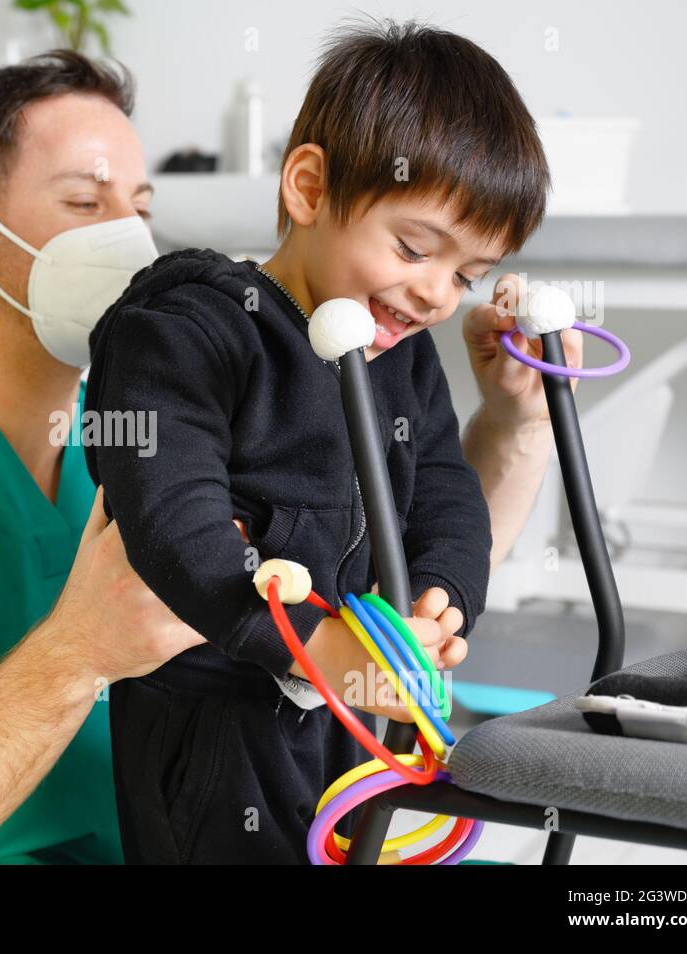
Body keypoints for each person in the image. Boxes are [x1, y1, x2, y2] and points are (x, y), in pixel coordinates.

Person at [0, 46, 581, 865]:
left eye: (142, 207)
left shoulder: (171, 423)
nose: (128, 239)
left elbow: (396, 555)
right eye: (86, 205)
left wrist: (518, 424)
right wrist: (79, 649)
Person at [86, 21, 557, 863]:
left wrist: (446, 595)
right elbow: (171, 518)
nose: (436, 295)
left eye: (466, 276)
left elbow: (445, 487)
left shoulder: (400, 359)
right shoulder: (186, 330)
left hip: (345, 719)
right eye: (415, 248)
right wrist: (313, 645)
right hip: (211, 728)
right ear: (309, 188)